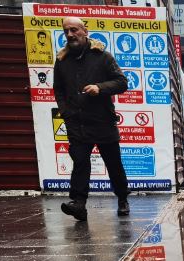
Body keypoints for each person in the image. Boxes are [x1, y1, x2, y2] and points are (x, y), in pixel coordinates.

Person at [54, 16, 130, 221]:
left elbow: (122, 82)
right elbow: (58, 89)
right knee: (79, 162)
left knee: (113, 163)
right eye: (66, 31)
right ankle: (78, 204)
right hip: (77, 123)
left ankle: (122, 198)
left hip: (103, 120)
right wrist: (65, 111)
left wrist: (100, 88)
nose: (70, 34)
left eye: (74, 30)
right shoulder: (62, 61)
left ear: (84, 31)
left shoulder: (102, 57)